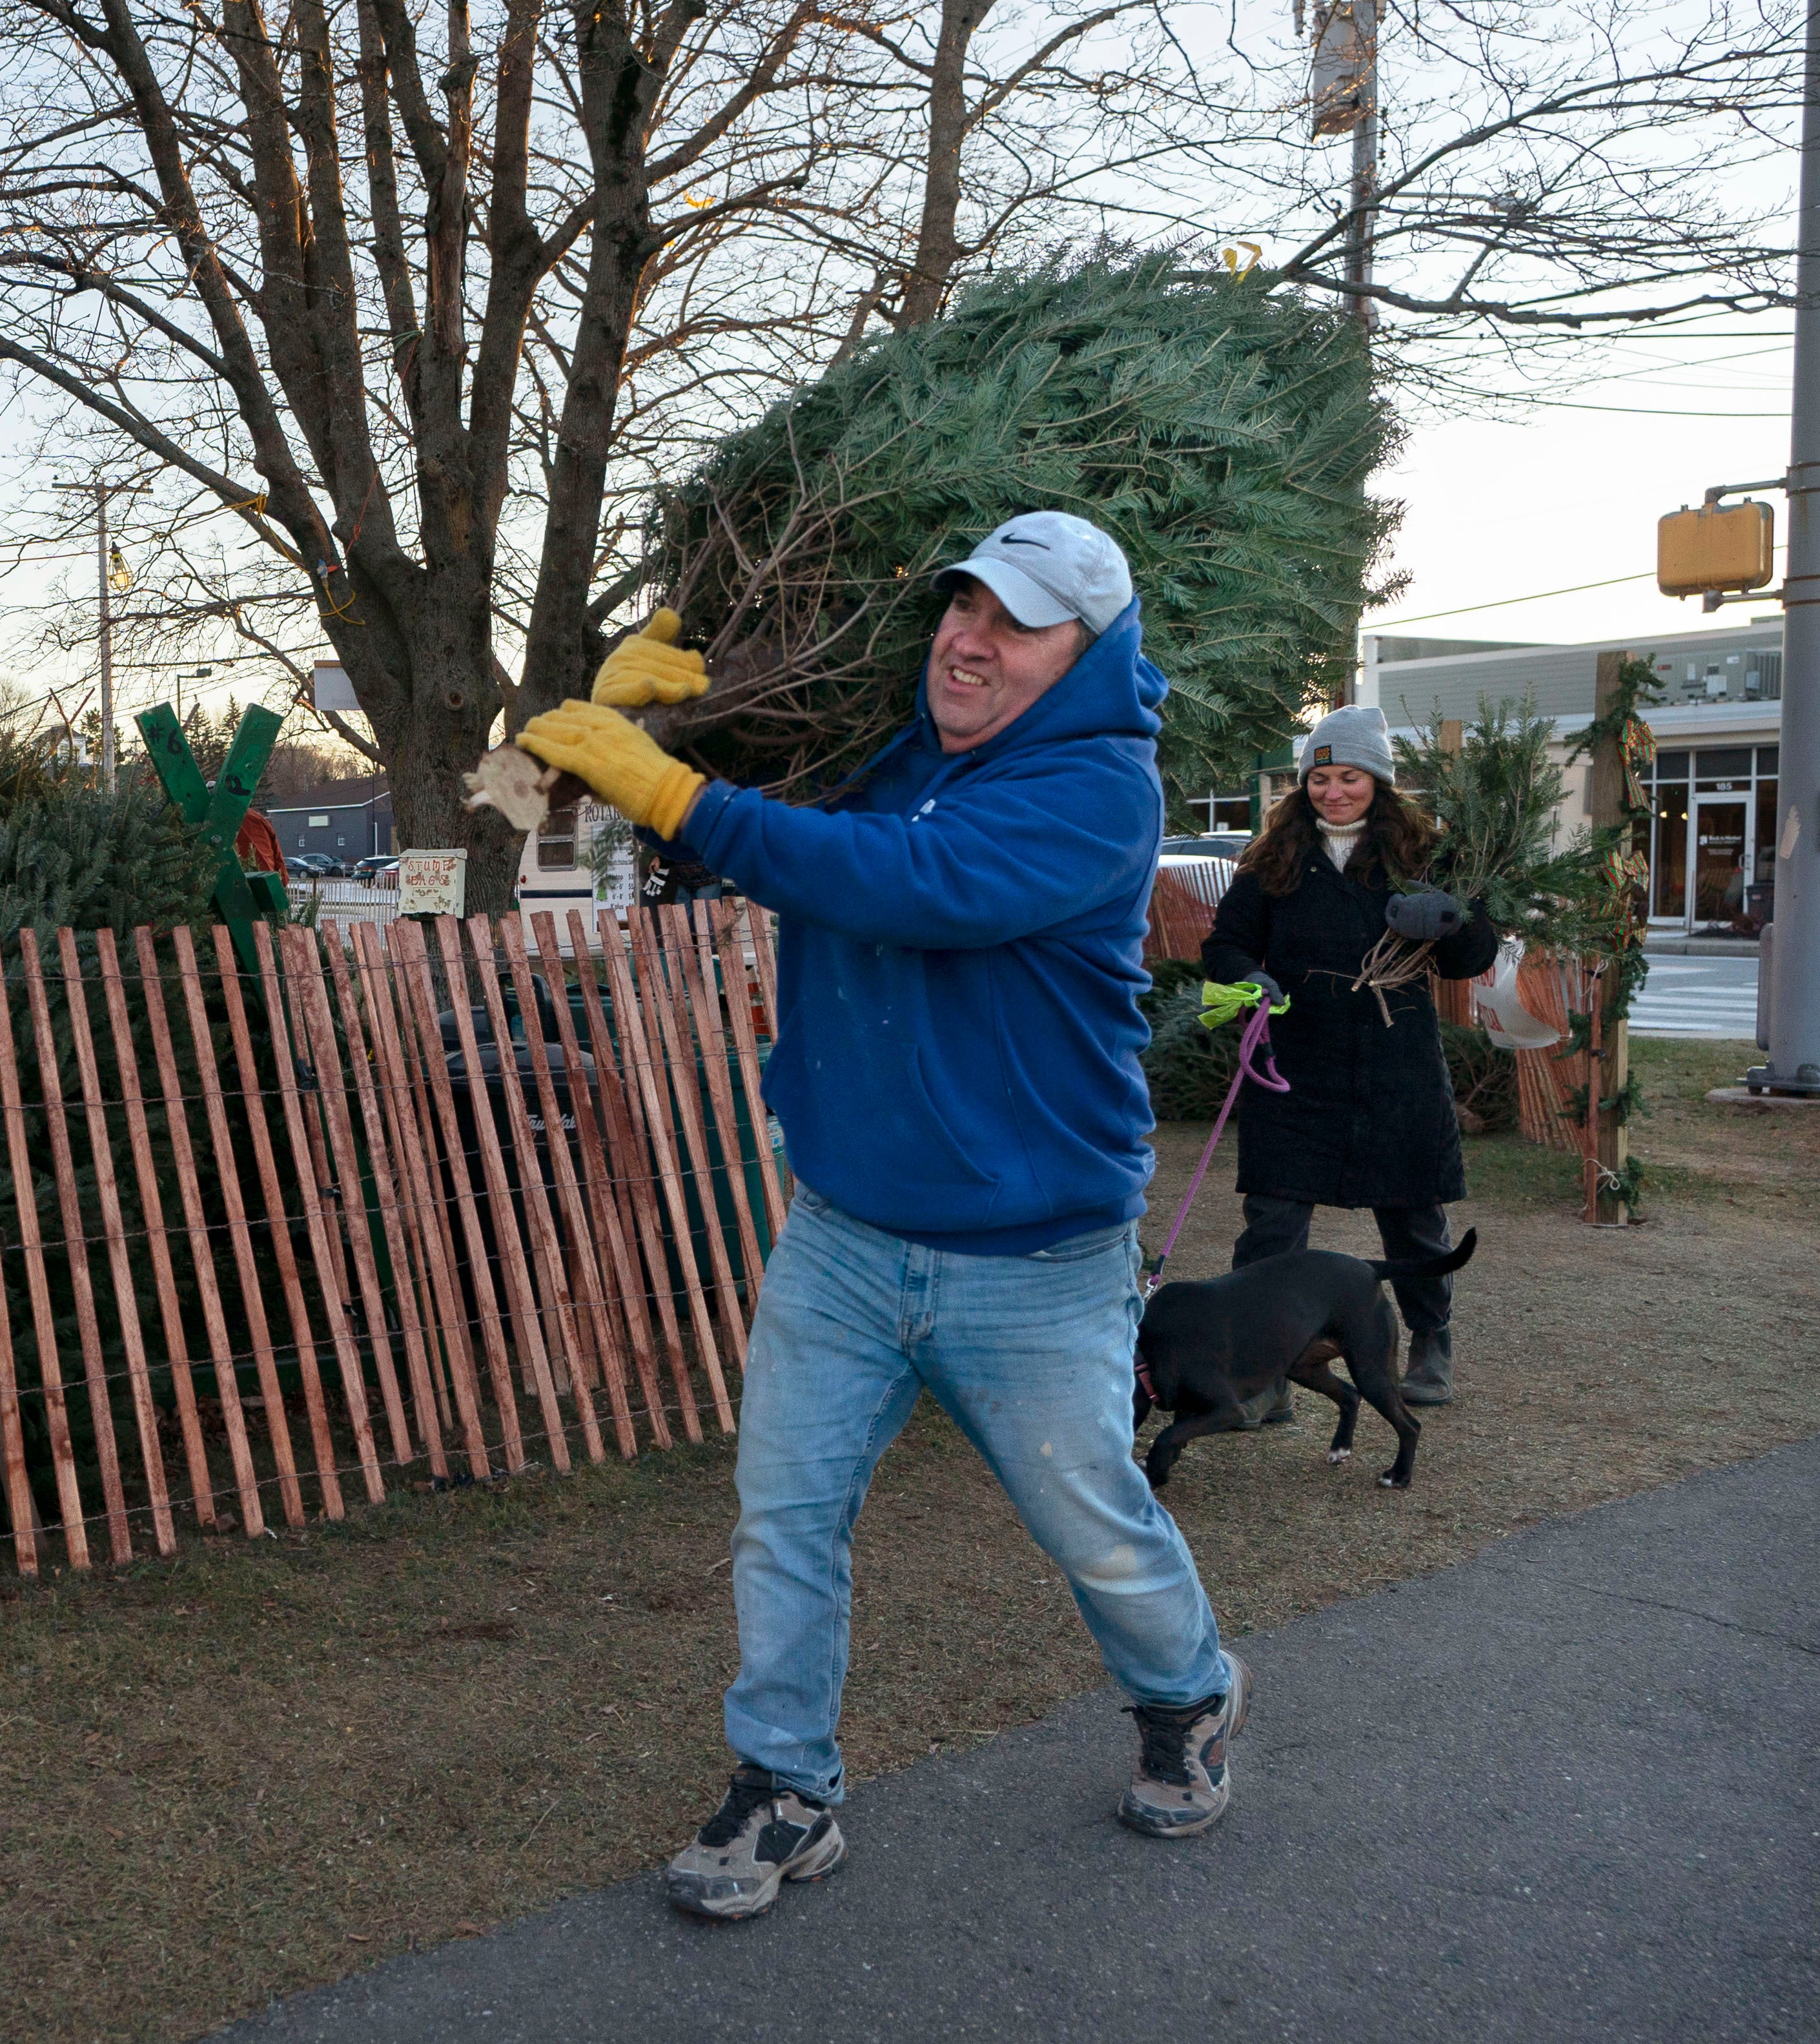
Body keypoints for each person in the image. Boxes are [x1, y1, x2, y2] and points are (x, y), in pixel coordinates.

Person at [516, 511, 1243, 1923]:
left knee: (1091, 1522)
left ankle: (1188, 1692)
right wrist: (641, 734)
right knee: (783, 1517)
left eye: (1015, 623)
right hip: (843, 1232)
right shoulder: (890, 746)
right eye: (962, 606)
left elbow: (909, 885)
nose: (969, 640)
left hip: (1032, 1255)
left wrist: (675, 793)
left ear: (1085, 655)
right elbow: (739, 851)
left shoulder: (1097, 790)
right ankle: (785, 1784)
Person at [1201, 706, 1498, 1411]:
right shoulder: (1271, 860)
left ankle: (1430, 1341)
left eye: (1350, 778)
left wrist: (1449, 921)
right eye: (1320, 778)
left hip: (1396, 1059)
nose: (1332, 792)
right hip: (1296, 1061)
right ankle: (1261, 1367)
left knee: (1412, 1212)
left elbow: (1471, 957)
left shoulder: (1422, 856)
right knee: (1273, 1220)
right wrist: (1252, 977)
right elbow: (1225, 945)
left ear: (1379, 781)